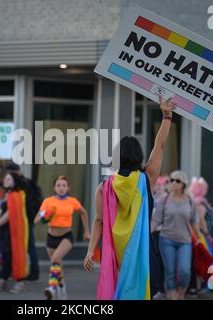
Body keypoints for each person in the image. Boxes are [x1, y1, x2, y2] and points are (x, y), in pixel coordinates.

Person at [84, 96, 175, 300]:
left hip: (115, 253)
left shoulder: (104, 187)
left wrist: (91, 251)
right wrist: (167, 116)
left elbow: (98, 221)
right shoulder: (147, 178)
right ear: (139, 156)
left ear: (118, 157)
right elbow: (159, 146)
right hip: (143, 250)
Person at [34, 175, 90, 300]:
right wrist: (45, 217)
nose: (61, 188)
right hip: (51, 238)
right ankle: (62, 288)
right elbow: (36, 220)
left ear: (68, 188)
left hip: (66, 237)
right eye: (58, 185)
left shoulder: (72, 201)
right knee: (57, 266)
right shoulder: (48, 201)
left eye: (64, 185)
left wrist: (86, 231)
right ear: (54, 187)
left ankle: (52, 288)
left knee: (55, 259)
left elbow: (83, 212)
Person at [151, 170, 201, 300]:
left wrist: (199, 236)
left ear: (183, 184)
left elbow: (194, 220)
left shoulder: (190, 201)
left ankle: (180, 293)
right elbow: (156, 219)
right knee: (170, 272)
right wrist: (148, 232)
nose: (173, 183)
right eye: (171, 180)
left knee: (185, 272)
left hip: (185, 241)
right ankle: (173, 295)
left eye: (177, 181)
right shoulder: (164, 200)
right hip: (166, 239)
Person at [3, 162, 43, 281]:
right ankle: (27, 271)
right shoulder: (26, 182)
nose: (7, 175)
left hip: (24, 219)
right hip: (25, 219)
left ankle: (33, 272)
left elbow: (24, 203)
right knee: (27, 245)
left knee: (28, 245)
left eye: (9, 172)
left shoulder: (22, 183)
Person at [0, 172, 29, 294]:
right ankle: (4, 278)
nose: (6, 181)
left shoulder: (18, 194)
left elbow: (9, 214)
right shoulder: (6, 195)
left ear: (15, 181)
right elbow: (0, 211)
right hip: (4, 230)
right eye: (5, 179)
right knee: (6, 254)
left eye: (9, 179)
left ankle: (20, 281)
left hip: (15, 230)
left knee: (16, 254)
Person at [187, 177, 213, 296]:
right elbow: (202, 220)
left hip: (199, 233)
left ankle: (208, 286)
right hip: (202, 234)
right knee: (207, 258)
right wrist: (207, 234)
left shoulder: (196, 201)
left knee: (202, 259)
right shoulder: (200, 203)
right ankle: (211, 287)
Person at [151, 176, 169, 299]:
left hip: (163, 233)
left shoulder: (167, 199)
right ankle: (158, 289)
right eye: (156, 185)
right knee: (155, 262)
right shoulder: (152, 197)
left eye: (160, 185)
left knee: (163, 263)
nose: (157, 187)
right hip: (152, 232)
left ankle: (164, 288)